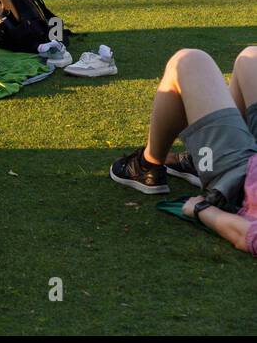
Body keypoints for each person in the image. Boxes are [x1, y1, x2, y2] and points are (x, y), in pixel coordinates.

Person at [108, 47, 257, 257]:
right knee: (251, 58)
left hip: (240, 182)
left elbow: (249, 236)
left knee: (189, 61)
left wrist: (202, 210)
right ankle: (203, 161)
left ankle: (148, 165)